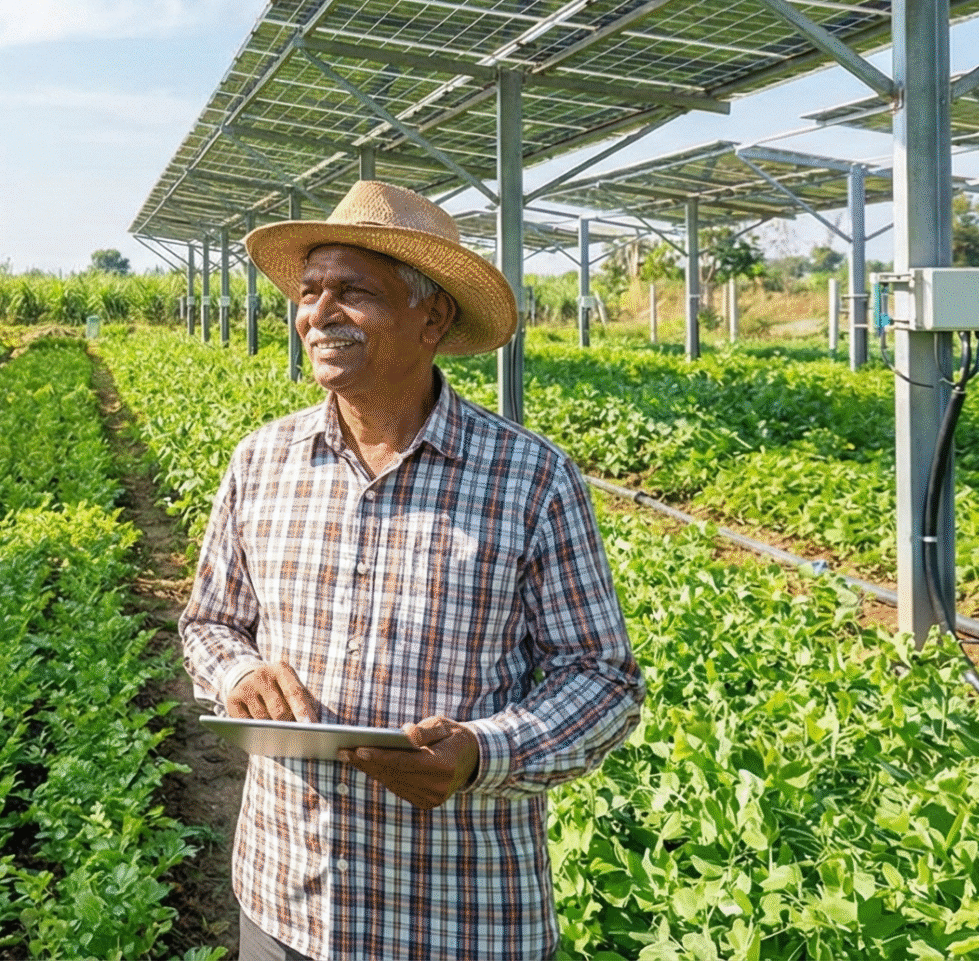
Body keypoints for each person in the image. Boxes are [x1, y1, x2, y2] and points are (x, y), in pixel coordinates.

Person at [181, 180, 643, 960]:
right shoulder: (261, 460)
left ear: (432, 317)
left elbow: (601, 678)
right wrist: (236, 674)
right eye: (310, 290)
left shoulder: (528, 477)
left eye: (354, 291)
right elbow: (209, 621)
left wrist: (480, 753)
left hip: (454, 911)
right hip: (284, 895)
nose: (319, 314)